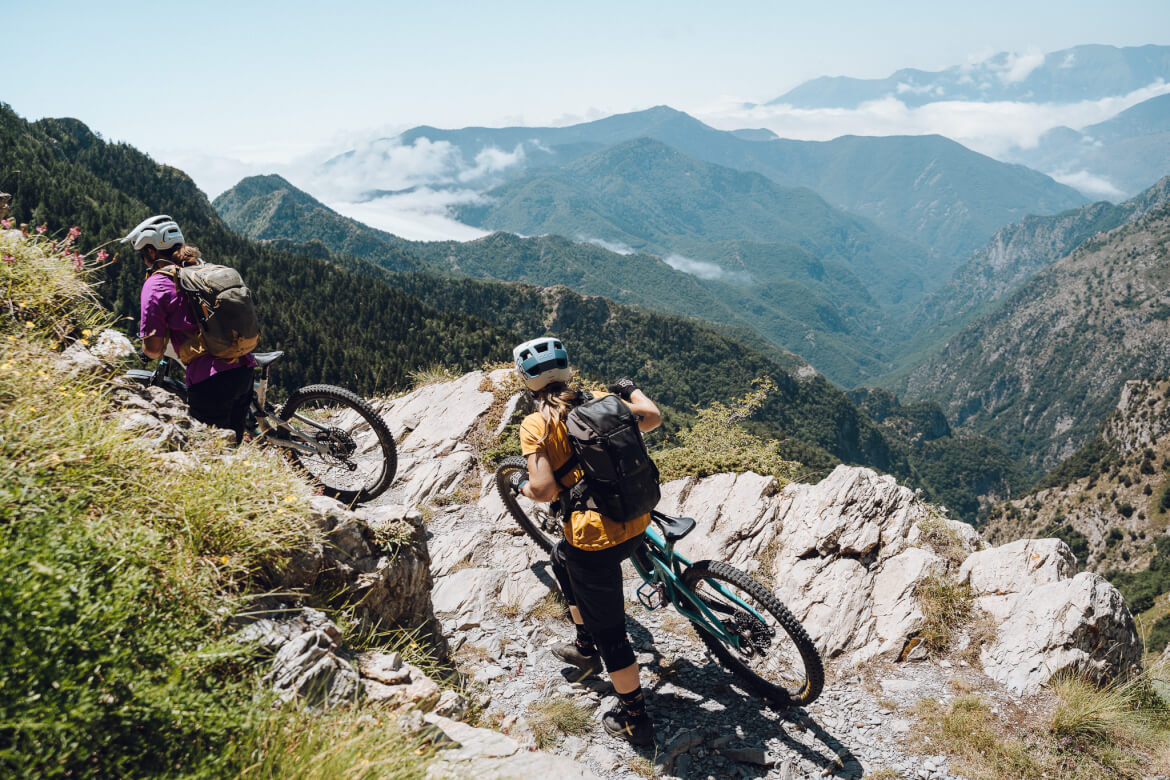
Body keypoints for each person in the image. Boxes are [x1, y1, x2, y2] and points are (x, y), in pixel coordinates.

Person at [508, 336, 662, 746]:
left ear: (526, 381)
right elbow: (651, 417)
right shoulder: (603, 402)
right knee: (561, 557)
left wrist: (522, 485)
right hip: (636, 517)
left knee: (614, 634)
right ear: (568, 368)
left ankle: (635, 720)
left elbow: (542, 489)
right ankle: (583, 645)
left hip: (596, 541)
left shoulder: (536, 425)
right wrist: (631, 390)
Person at [126, 215, 257, 441]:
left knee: (208, 449)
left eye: (142, 254)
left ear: (151, 252)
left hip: (209, 380)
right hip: (243, 368)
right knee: (232, 445)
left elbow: (154, 349)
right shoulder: (202, 270)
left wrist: (146, 350)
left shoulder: (157, 283)